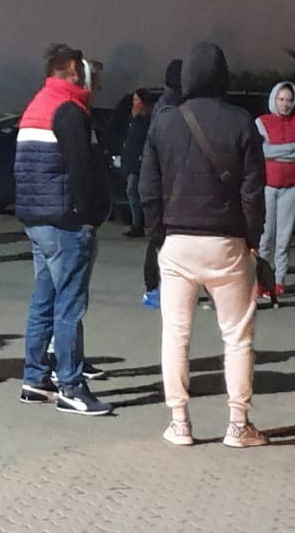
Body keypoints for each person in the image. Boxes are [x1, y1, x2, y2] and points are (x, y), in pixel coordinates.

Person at [140, 42, 267, 448]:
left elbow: (148, 188)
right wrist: (252, 239)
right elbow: (253, 192)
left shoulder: (164, 122)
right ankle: (238, 424)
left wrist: (157, 237)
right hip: (227, 241)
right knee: (237, 337)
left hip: (177, 242)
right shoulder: (242, 121)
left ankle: (179, 423)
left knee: (175, 334)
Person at [14, 44, 112, 416]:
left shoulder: (37, 105)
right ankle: (71, 385)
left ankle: (34, 378)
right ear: (72, 67)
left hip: (36, 218)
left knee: (44, 299)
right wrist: (91, 215)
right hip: (65, 220)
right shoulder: (69, 110)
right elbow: (81, 169)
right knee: (69, 305)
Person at [255, 81, 295, 299]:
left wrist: (277, 152)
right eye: (281, 99)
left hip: (291, 186)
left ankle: (279, 281)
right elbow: (262, 151)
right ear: (274, 99)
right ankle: (261, 281)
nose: (285, 104)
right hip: (268, 185)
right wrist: (291, 147)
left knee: (284, 238)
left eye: (289, 100)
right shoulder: (262, 122)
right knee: (265, 237)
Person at [140, 60, 184, 310]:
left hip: (164, 184)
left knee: (161, 239)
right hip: (166, 185)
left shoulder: (166, 105)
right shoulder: (169, 109)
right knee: (159, 240)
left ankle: (157, 286)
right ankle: (153, 287)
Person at [121, 89, 158, 238]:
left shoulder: (148, 121)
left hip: (141, 163)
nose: (134, 103)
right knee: (132, 192)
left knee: (136, 191)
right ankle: (138, 223)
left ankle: (140, 224)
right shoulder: (133, 120)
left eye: (136, 100)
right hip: (132, 162)